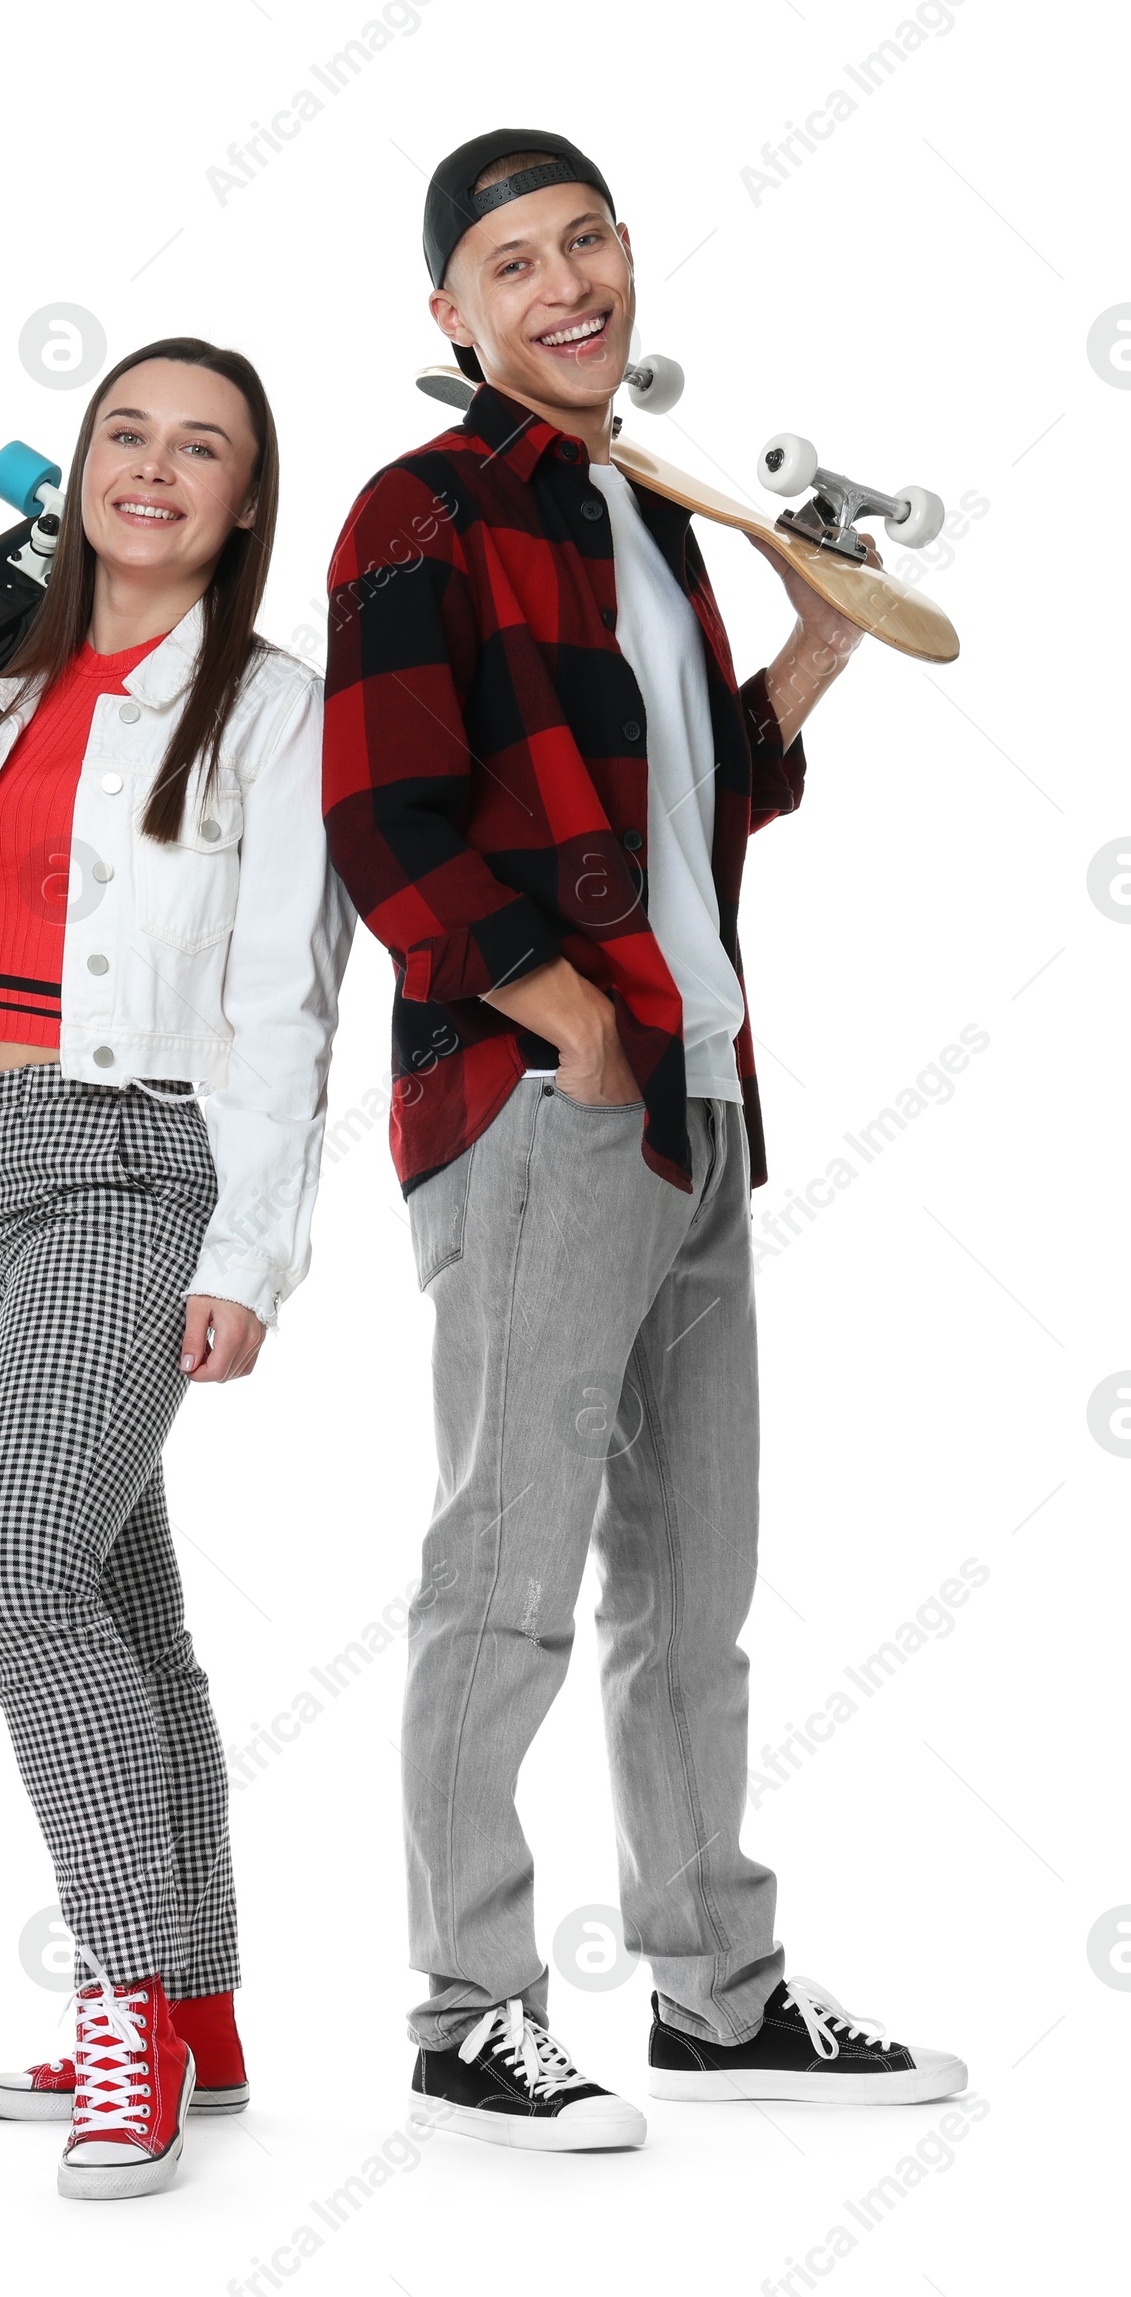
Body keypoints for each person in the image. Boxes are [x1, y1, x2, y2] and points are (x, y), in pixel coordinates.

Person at [322, 131, 965, 2150]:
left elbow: (692, 809)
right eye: (510, 262)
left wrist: (812, 644)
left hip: (695, 1094)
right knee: (503, 1571)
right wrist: (569, 1015)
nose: (564, 282)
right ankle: (462, 2006)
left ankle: (716, 1988)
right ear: (450, 313)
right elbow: (384, 822)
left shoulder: (637, 517)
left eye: (586, 240)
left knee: (691, 1587)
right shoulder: (417, 512)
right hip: (540, 1103)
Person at [0, 336, 353, 2200]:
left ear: (245, 500)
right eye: (128, 434)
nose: (157, 471)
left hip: (142, 1158)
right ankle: (199, 2004)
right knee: (108, 1580)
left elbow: (287, 994)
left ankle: (118, 1997)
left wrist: (255, 1245)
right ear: (77, 467)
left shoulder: (268, 705)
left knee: (14, 1561)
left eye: (205, 451)